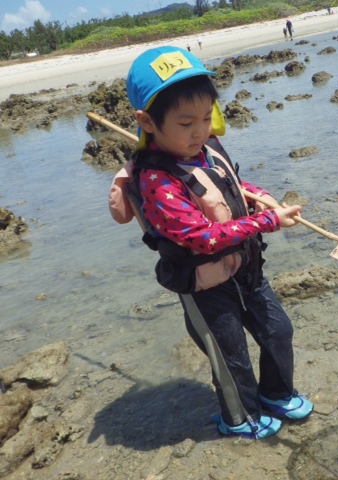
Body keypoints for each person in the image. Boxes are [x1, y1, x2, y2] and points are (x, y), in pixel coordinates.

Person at [108, 46, 313, 439]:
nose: (199, 131)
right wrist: (268, 221)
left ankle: (275, 393)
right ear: (147, 121)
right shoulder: (157, 182)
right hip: (205, 287)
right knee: (230, 357)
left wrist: (259, 196)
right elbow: (202, 239)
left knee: (278, 331)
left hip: (246, 270)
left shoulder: (205, 150)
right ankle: (241, 418)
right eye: (186, 122)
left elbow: (228, 185)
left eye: (205, 118)